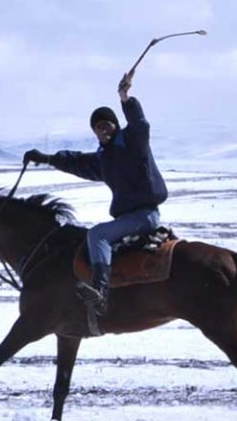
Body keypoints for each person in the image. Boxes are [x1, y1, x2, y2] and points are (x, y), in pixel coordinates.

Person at [22, 70, 168, 314]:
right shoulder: (104, 159)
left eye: (107, 125)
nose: (103, 130)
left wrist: (125, 98)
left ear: (115, 125)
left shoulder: (133, 142)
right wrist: (46, 158)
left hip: (143, 216)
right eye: (98, 127)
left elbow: (140, 124)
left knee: (97, 235)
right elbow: (76, 161)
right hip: (128, 218)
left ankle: (100, 292)